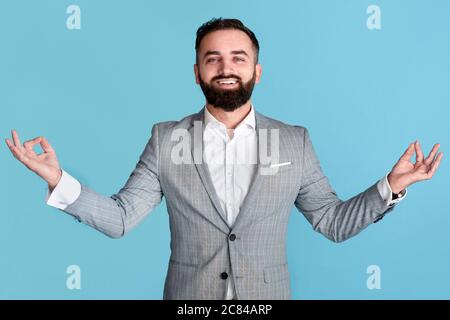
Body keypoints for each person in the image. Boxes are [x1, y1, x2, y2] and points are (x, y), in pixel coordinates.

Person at [5, 18, 443, 300]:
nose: (225, 67)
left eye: (239, 57)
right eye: (212, 59)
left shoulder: (294, 141)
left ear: (257, 70)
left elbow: (331, 222)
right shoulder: (166, 139)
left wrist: (392, 185)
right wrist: (59, 179)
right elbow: (121, 219)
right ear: (197, 71)